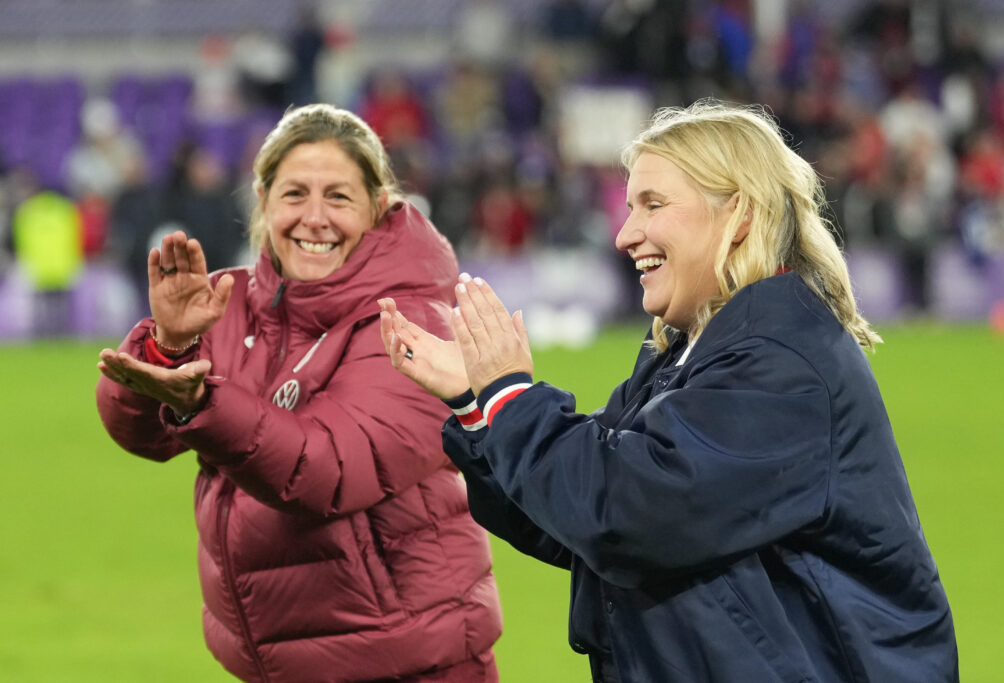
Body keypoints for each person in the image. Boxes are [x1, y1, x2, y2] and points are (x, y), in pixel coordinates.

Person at [379, 100, 958, 682]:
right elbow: (570, 519)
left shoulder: (780, 364)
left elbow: (625, 514)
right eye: (630, 207)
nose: (626, 234)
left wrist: (509, 397)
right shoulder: (692, 350)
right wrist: (478, 407)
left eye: (653, 205)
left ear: (741, 213)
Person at [95, 104, 502, 682]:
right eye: (293, 195)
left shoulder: (411, 320)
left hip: (408, 661)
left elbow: (329, 470)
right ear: (261, 201)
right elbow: (139, 433)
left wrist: (201, 402)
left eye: (338, 197)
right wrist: (168, 346)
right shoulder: (228, 302)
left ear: (378, 208)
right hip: (283, 661)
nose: (314, 218)